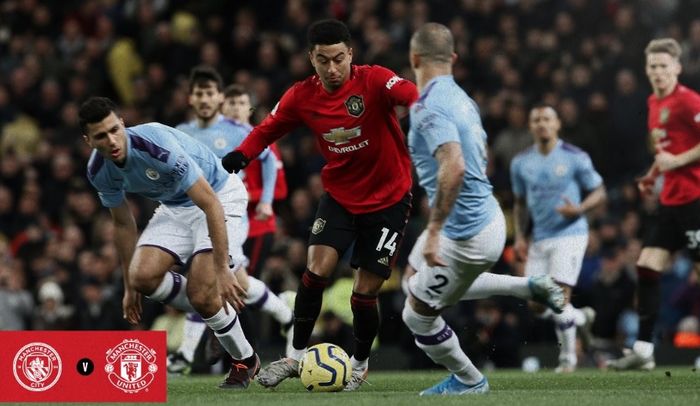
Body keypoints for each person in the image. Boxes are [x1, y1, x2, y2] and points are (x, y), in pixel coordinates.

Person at [222, 19, 419, 391]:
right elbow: (269, 127)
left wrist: (426, 106)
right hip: (341, 197)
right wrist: (243, 154)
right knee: (315, 271)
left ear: (351, 55)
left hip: (390, 199)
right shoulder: (301, 96)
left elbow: (410, 95)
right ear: (311, 59)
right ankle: (294, 358)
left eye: (339, 59)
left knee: (364, 293)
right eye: (323, 60)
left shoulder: (375, 79)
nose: (332, 68)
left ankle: (359, 366)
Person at [402, 23, 565, 396]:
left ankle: (469, 380)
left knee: (417, 314)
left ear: (414, 59)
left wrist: (436, 229)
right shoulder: (463, 99)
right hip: (489, 216)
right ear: (453, 59)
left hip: (464, 233)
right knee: (433, 284)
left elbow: (455, 166)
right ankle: (527, 287)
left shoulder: (427, 108)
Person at [80, 96, 259, 389]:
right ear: (89, 140)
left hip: (218, 196)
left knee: (202, 293)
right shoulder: (99, 171)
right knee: (142, 277)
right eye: (101, 135)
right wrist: (128, 286)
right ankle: (214, 312)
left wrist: (222, 269)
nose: (112, 140)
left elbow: (210, 204)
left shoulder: (157, 147)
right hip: (175, 206)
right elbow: (123, 223)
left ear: (123, 123)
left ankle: (245, 361)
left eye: (115, 129)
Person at [168, 67, 293, 374]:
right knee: (234, 284)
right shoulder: (182, 131)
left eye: (211, 93)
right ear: (190, 98)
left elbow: (267, 160)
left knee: (211, 279)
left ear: (219, 98)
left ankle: (188, 354)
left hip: (238, 219)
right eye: (199, 93)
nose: (205, 99)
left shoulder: (241, 132)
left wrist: (264, 201)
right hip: (200, 217)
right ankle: (285, 315)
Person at [608, 38, 700, 370]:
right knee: (646, 266)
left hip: (696, 199)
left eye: (664, 65)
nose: (659, 71)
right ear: (647, 70)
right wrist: (652, 174)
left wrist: (676, 162)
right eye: (653, 66)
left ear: (677, 67)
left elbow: (681, 152)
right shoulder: (652, 103)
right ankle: (644, 351)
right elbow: (666, 150)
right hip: (670, 201)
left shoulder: (688, 101)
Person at [510, 104, 606, 372]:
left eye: (547, 119)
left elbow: (599, 191)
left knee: (558, 298)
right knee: (536, 306)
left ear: (557, 124)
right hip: (539, 238)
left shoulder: (575, 157)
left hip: (570, 234)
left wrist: (580, 209)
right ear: (530, 126)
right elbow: (519, 203)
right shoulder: (520, 162)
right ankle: (579, 318)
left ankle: (568, 360)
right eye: (536, 119)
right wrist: (520, 237)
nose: (542, 123)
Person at [221, 84, 288, 279]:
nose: (235, 109)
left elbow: (281, 190)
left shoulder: (264, 143)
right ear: (222, 108)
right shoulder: (214, 141)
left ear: (250, 109)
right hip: (223, 225)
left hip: (256, 225)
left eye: (241, 103)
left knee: (244, 285)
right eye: (231, 103)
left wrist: (249, 195)